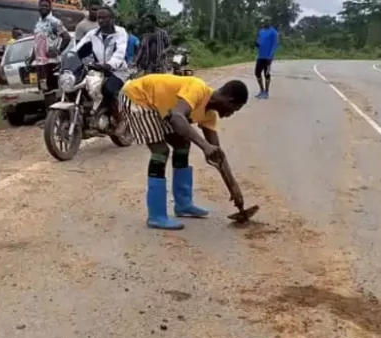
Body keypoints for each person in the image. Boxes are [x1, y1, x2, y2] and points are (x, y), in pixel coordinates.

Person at [119, 74, 249, 230]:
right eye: (234, 110)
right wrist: (204, 146)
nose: (230, 114)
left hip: (160, 107)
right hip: (137, 97)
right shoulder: (198, 89)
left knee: (182, 144)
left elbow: (218, 155)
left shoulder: (210, 115)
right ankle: (156, 216)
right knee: (160, 151)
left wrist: (234, 188)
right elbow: (177, 117)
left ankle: (183, 205)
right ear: (230, 101)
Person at [71, 5, 128, 134]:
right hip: (99, 70)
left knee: (108, 90)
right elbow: (77, 49)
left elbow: (120, 52)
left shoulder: (120, 32)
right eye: (99, 18)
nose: (100, 21)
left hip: (118, 70)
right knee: (82, 87)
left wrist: (110, 64)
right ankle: (90, 117)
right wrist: (68, 58)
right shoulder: (92, 34)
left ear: (111, 18)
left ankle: (121, 120)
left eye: (104, 18)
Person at [26, 0, 73, 107]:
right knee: (45, 90)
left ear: (50, 8)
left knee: (52, 91)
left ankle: (54, 118)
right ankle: (49, 117)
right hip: (40, 63)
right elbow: (36, 43)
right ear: (38, 7)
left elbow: (66, 37)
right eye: (41, 5)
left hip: (51, 62)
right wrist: (31, 59)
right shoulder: (38, 24)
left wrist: (58, 51)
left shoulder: (55, 22)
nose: (43, 7)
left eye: (46, 6)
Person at [255, 20, 278, 99]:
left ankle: (266, 92)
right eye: (264, 22)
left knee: (266, 74)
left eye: (266, 22)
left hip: (268, 57)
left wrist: (270, 57)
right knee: (257, 73)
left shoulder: (274, 32)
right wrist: (257, 44)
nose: (265, 23)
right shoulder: (261, 31)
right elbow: (259, 43)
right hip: (260, 56)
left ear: (269, 22)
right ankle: (261, 90)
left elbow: (274, 45)